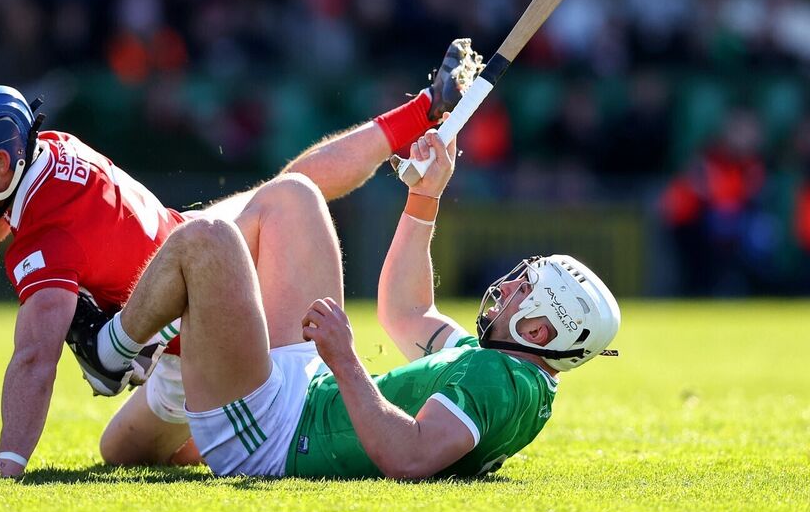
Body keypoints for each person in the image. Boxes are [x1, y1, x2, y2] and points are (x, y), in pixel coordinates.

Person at [0, 40, 485, 478]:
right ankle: (424, 110)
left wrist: (7, 469)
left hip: (189, 333)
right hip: (187, 250)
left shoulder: (46, 233)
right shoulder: (42, 157)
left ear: (0, 160)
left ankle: (118, 346)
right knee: (290, 191)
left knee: (286, 197)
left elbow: (35, 356)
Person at [90, 128, 620, 479]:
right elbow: (406, 313)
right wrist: (425, 197)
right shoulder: (509, 371)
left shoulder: (499, 381)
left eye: (523, 293)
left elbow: (408, 456)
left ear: (539, 333)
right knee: (293, 195)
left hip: (276, 432)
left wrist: (343, 357)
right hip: (301, 393)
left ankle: (114, 347)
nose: (506, 290)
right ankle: (169, 349)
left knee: (208, 240)